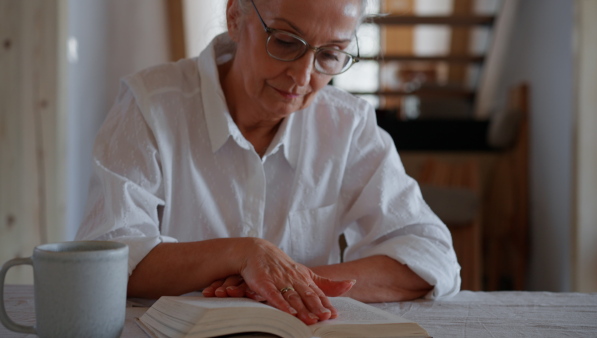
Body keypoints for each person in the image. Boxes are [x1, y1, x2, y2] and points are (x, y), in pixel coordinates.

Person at [76, 0, 461, 325]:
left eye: (329, 54)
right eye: (286, 41)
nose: (303, 76)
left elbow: (431, 256)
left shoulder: (347, 125)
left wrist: (285, 280)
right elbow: (105, 259)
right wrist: (242, 254)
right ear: (235, 18)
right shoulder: (150, 106)